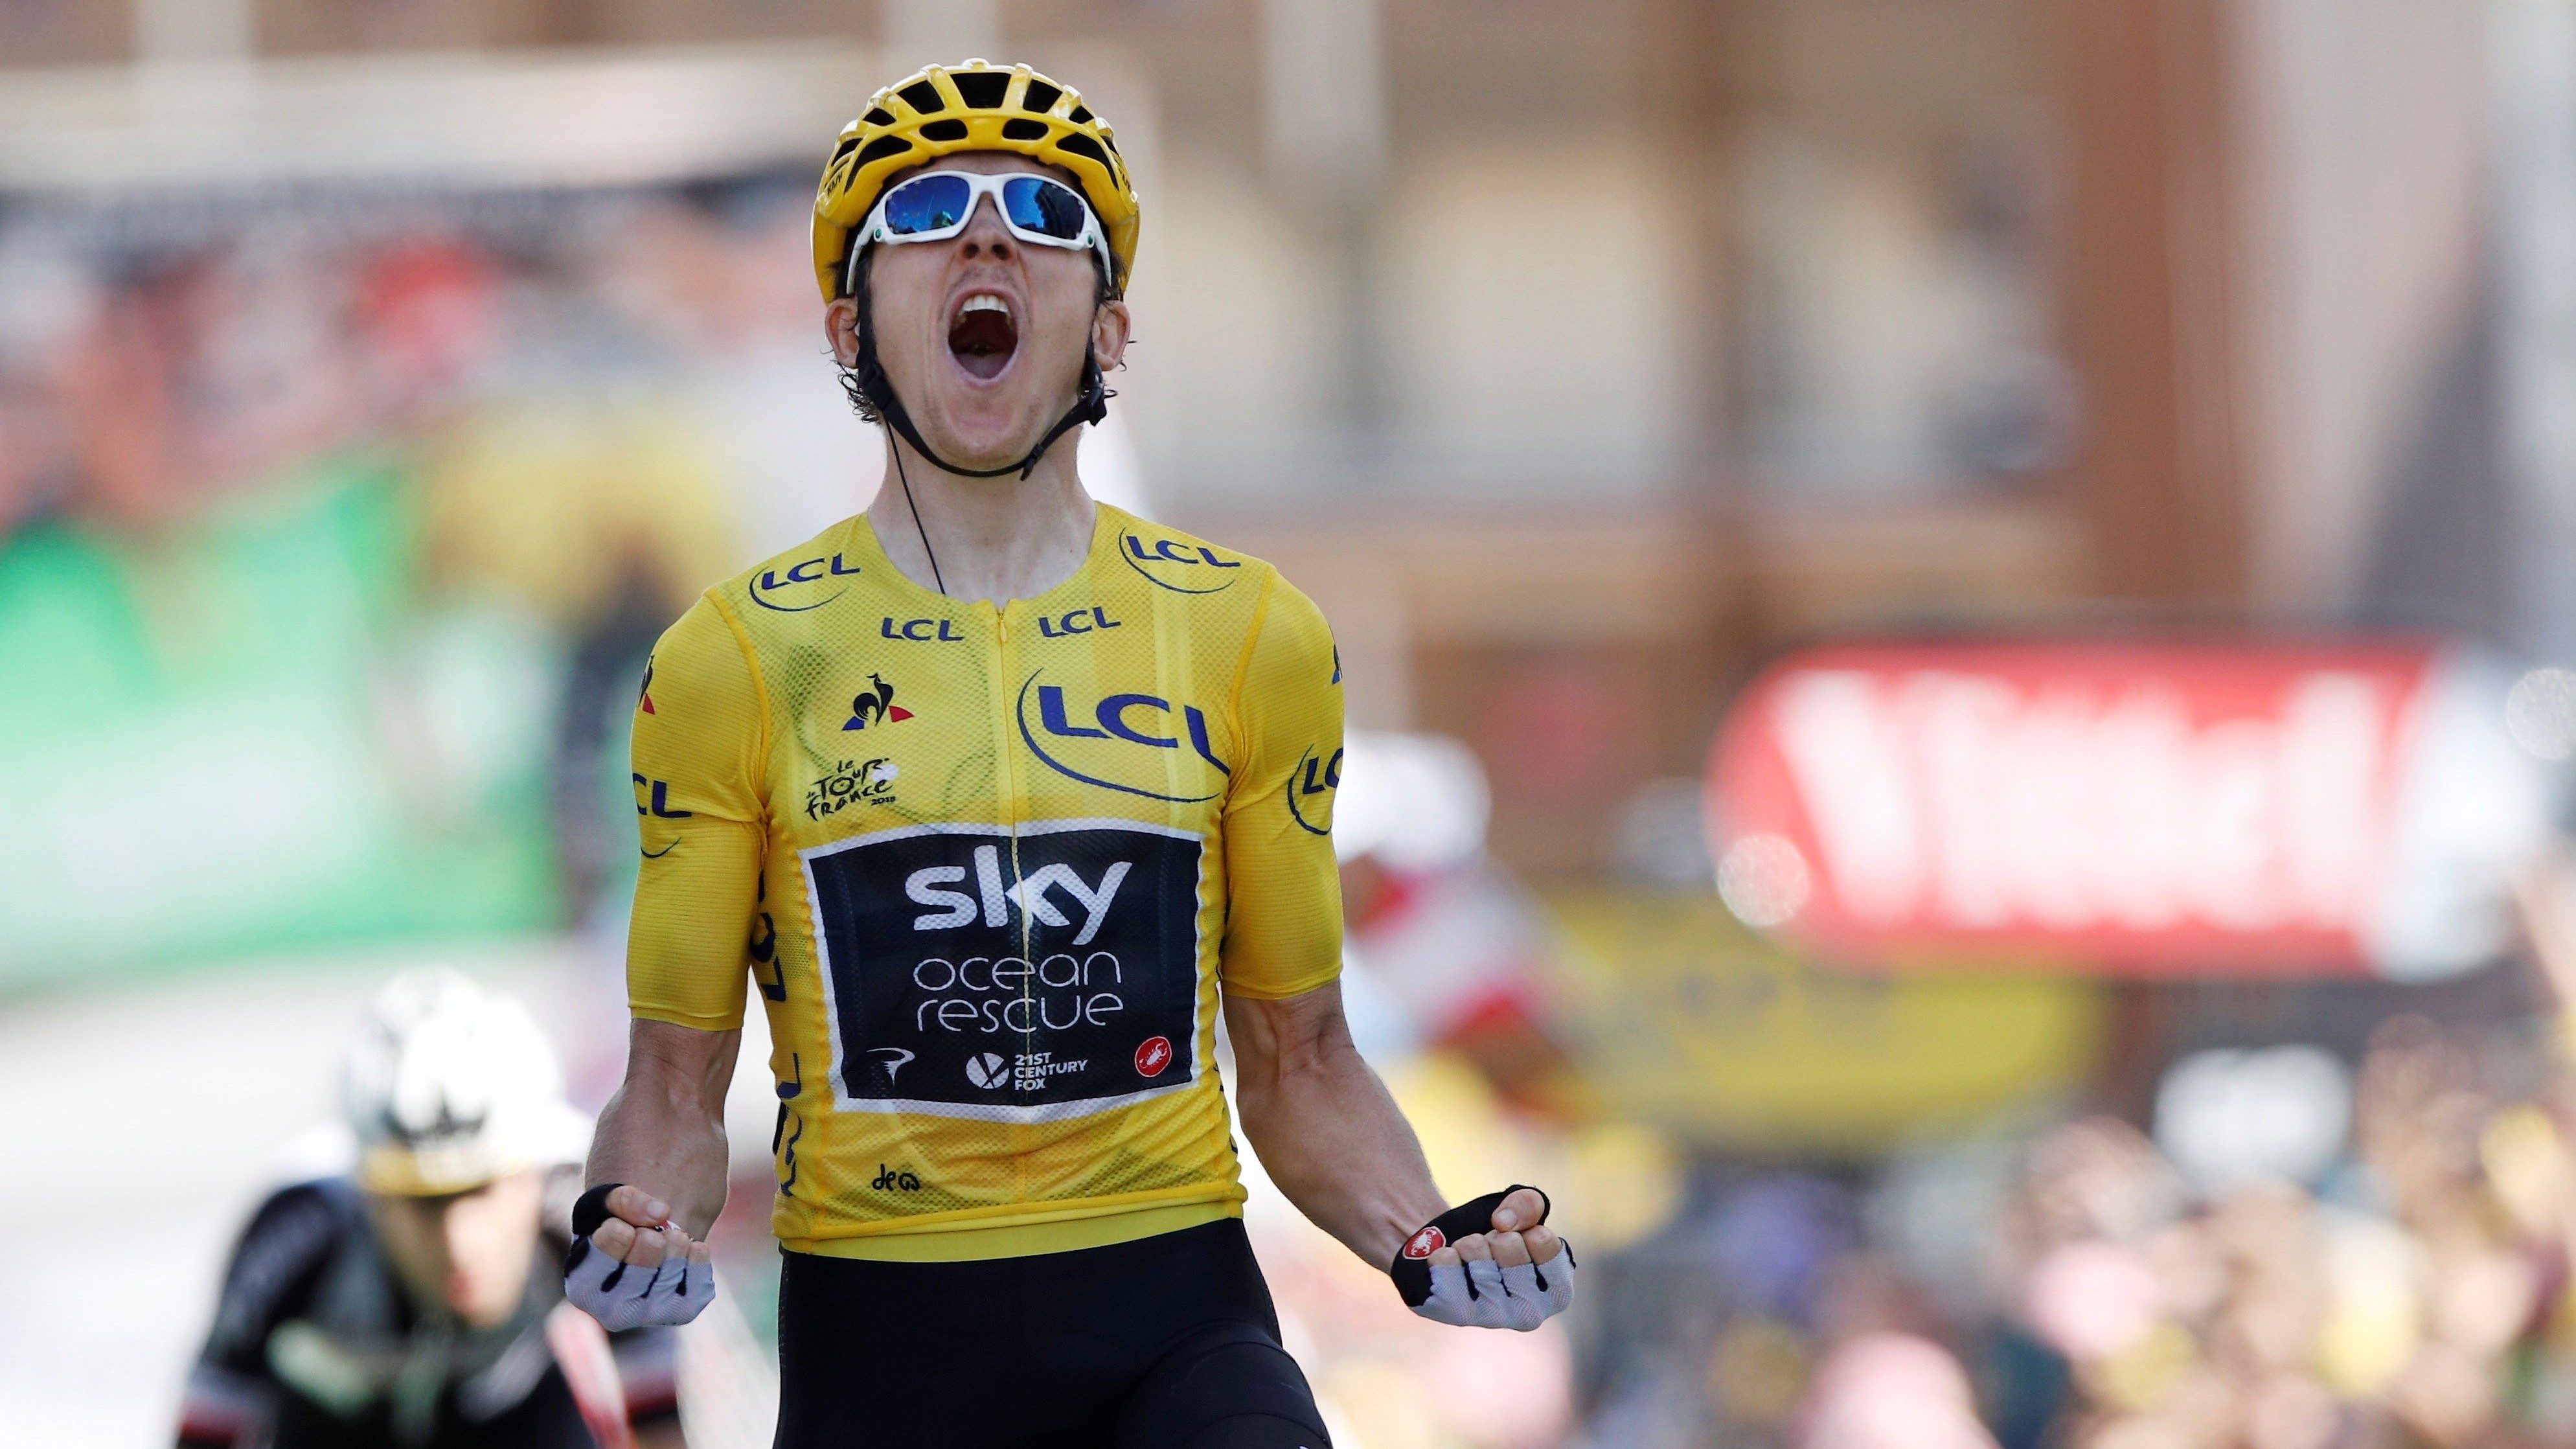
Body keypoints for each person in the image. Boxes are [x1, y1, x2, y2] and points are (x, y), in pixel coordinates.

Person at [569, 58, 1576, 1448]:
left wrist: (1427, 1231)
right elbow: (673, 1087)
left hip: (1173, 1319)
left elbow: (1301, 1059)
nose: (985, 242)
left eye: (1043, 216)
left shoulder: (1249, 635)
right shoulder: (732, 660)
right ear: (849, 326)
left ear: (1107, 334)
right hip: (883, 1348)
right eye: (925, 215)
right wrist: (638, 1218)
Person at [179, 969, 686, 1449]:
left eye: (481, 1190)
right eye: (422, 1202)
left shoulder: (589, 1211)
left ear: (531, 1172)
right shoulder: (298, 1224)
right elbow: (204, 1424)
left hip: (520, 1412)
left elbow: (665, 1425)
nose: (458, 1241)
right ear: (368, 1190)